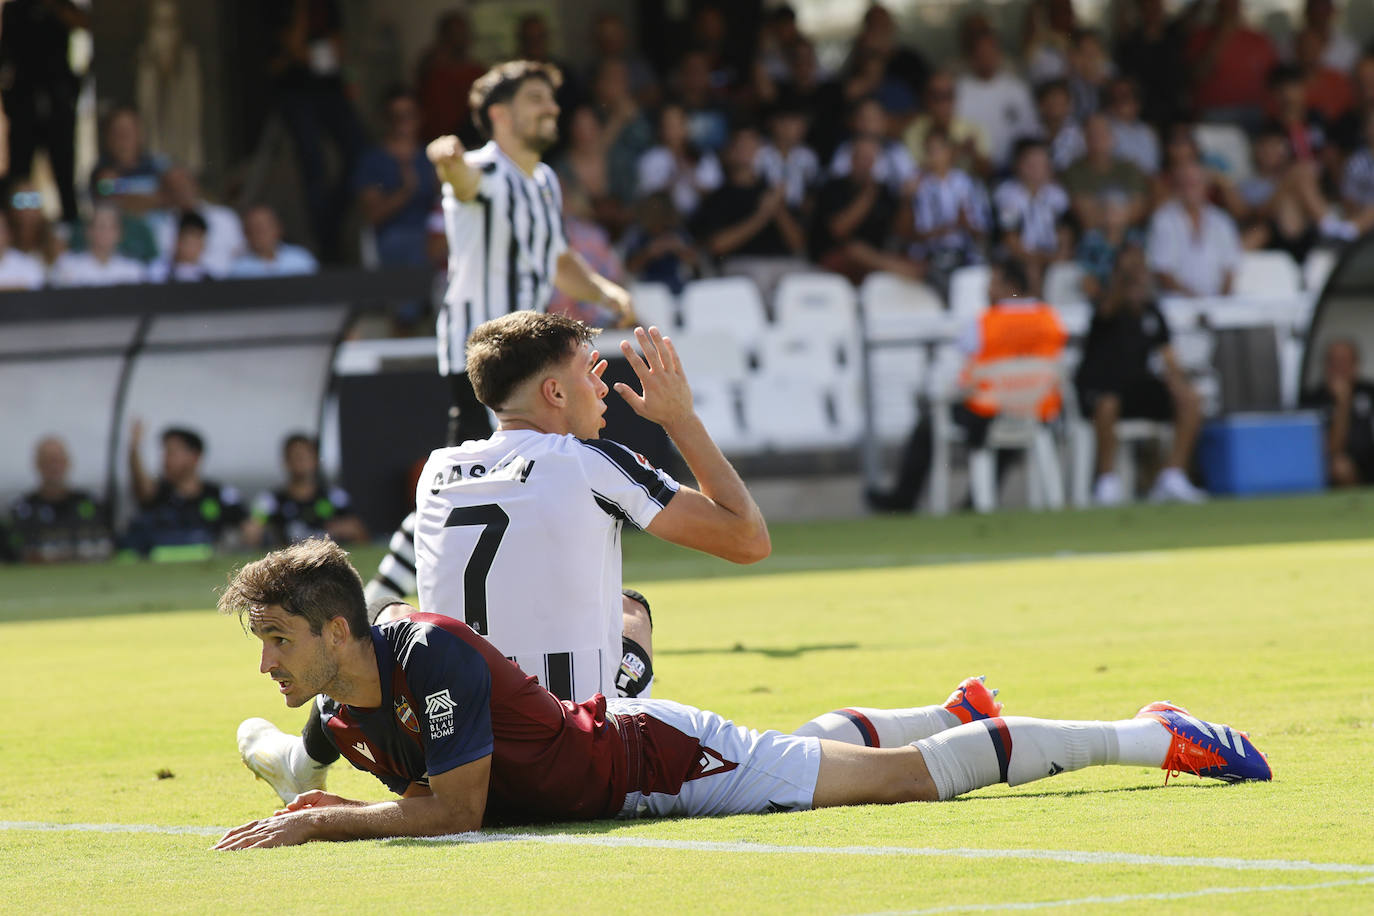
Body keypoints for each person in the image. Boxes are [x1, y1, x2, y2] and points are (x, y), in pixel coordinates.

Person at [214, 538, 1270, 848]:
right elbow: (283, 759)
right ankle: (954, 710)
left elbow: (459, 811)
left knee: (905, 787)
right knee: (813, 755)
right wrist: (280, 766)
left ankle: (1145, 735)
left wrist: (327, 828)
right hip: (640, 764)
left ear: (337, 628)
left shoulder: (427, 650)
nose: (266, 662)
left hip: (662, 766)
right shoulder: (339, 709)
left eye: (273, 639)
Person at [241, 313, 771, 803]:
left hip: (446, 740)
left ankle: (303, 760)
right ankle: (631, 726)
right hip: (567, 744)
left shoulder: (437, 471)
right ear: (555, 391)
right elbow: (748, 540)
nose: (602, 386)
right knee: (631, 610)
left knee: (387, 622)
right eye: (591, 372)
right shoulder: (591, 463)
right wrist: (679, 419)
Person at [427, 59, 635, 450]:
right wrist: (447, 160)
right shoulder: (480, 166)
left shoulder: (544, 181)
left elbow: (557, 259)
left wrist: (606, 292)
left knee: (518, 471)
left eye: (552, 99)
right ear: (499, 114)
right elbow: (464, 182)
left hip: (527, 353)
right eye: (536, 98)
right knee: (486, 474)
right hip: (482, 355)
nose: (552, 108)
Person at [866, 257, 1066, 512]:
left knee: (930, 423)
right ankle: (977, 499)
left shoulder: (984, 323)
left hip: (988, 411)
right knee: (1007, 428)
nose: (987, 290)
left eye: (994, 283)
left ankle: (904, 499)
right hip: (1037, 410)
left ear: (1011, 286)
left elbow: (962, 369)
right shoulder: (1050, 318)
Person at [1074, 242, 1206, 505]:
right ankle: (1107, 481)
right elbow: (1106, 309)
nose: (1138, 279)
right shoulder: (1106, 307)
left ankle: (1173, 476)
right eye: (1131, 274)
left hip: (1138, 387)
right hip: (1102, 386)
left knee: (1190, 399)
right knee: (1107, 403)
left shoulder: (1152, 312)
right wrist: (1123, 276)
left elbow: (1169, 357)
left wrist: (1177, 381)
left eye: (1141, 271)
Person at [0, 0, 87, 223]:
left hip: (58, 104)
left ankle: (70, 223)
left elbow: (84, 24)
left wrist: (75, 86)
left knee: (64, 174)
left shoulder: (60, 7)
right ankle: (14, 225)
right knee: (20, 175)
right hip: (24, 103)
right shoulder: (16, 9)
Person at [810, 133, 918, 284]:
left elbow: (901, 232)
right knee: (856, 250)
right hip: (836, 258)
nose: (866, 163)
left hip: (876, 260)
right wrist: (867, 197)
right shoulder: (833, 187)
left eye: (871, 158)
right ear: (852, 159)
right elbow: (839, 230)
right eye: (862, 157)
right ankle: (895, 267)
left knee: (913, 260)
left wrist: (907, 200)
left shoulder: (884, 190)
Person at [688, 126, 805, 265]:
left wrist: (778, 209)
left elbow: (798, 244)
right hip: (741, 267)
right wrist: (762, 215)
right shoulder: (719, 197)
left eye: (751, 145)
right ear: (728, 152)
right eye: (740, 145)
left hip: (785, 265)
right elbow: (717, 246)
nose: (746, 151)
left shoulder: (772, 193)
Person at [124, 422, 246, 556]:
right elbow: (142, 487)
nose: (165, 459)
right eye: (164, 452)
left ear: (195, 457)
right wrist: (134, 449)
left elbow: (248, 525)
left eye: (172, 452)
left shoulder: (217, 494)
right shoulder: (159, 493)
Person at [352, 88, 439, 270]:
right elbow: (372, 216)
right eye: (396, 116)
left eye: (410, 114)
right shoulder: (373, 160)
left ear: (421, 116)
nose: (404, 122)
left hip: (434, 234)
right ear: (386, 120)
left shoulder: (431, 155)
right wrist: (406, 191)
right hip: (394, 238)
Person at [243, 433, 366, 549]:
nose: (301, 461)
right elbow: (252, 528)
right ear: (286, 462)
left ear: (315, 460)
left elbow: (359, 533)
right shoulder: (271, 500)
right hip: (288, 563)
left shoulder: (334, 497)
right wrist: (256, 530)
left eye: (305, 456)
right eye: (296, 456)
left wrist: (343, 528)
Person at [9, 436, 113, 563]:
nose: (53, 467)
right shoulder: (22, 510)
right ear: (37, 464)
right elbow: (13, 553)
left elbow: (106, 546)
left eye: (57, 460)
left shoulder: (89, 505)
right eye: (48, 461)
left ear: (68, 462)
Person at [1147, 161, 1242, 297]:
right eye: (1184, 184)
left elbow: (1230, 269)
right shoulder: (1163, 219)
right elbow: (1162, 272)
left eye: (1194, 184)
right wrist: (1193, 299)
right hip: (1176, 302)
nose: (1190, 189)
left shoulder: (1222, 221)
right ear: (1177, 188)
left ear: (1205, 187)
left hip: (1217, 302)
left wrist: (1220, 301)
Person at [955, 29, 1038, 173]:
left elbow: (1029, 131)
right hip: (972, 171)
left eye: (990, 51)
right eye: (980, 52)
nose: (986, 57)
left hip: (1013, 171)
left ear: (999, 54)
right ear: (971, 56)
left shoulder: (1017, 89)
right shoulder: (958, 90)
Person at [993, 139, 1069, 296]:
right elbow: (1010, 240)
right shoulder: (1007, 195)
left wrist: (1060, 254)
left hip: (1050, 257)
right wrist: (1038, 259)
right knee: (1029, 270)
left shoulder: (1057, 195)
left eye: (1041, 163)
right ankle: (1030, 310)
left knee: (1067, 270)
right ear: (1018, 165)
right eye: (1030, 163)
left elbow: (1065, 232)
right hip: (1016, 260)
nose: (1036, 169)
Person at [1300, 339, 1374, 487]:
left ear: (1355, 363)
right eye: (1334, 361)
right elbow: (1331, 449)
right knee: (1340, 466)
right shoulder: (1313, 399)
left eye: (1344, 361)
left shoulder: (1369, 391)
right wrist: (1343, 404)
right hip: (1340, 465)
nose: (1339, 367)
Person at [147, 166, 245, 276]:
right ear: (165, 193)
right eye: (173, 187)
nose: (180, 191)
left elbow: (240, 253)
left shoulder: (225, 217)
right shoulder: (159, 225)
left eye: (184, 185)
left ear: (195, 184)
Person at [48, 205, 146, 287]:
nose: (105, 233)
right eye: (101, 226)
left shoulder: (133, 269)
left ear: (119, 233)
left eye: (111, 227)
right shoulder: (67, 265)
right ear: (89, 231)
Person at [228, 204, 318, 277]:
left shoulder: (301, 259)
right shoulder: (239, 270)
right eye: (255, 229)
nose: (261, 234)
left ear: (278, 229)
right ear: (246, 234)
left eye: (266, 228)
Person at [146, 210, 211, 283]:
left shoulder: (210, 280)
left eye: (198, 243)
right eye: (189, 242)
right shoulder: (156, 274)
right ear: (178, 241)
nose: (193, 248)